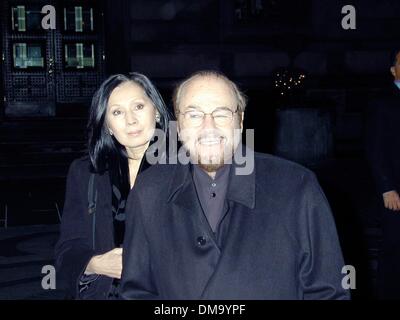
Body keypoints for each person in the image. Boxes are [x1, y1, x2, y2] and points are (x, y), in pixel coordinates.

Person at [120, 70, 350, 299]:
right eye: (194, 115)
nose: (208, 127)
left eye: (221, 114)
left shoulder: (297, 187)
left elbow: (328, 292)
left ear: (240, 121)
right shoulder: (149, 191)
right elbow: (137, 291)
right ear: (178, 125)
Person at [55, 73, 171, 299]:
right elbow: (67, 250)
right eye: (117, 112)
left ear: (156, 111)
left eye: (138, 106)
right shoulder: (86, 173)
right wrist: (95, 264)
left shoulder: (186, 169)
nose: (130, 120)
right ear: (107, 124)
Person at [366, 49, 400, 299]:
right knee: (393, 246)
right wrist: (386, 187)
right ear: (393, 70)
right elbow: (374, 148)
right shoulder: (383, 102)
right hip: (395, 189)